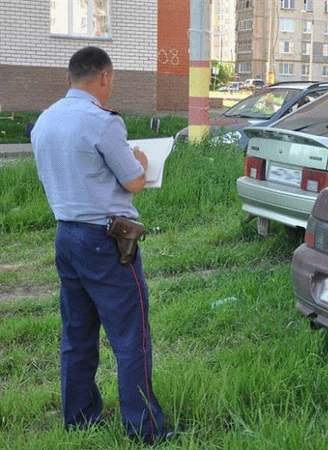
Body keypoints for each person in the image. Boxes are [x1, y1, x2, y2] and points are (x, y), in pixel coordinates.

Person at [31, 46, 169, 445]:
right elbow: (134, 182)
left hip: (66, 235)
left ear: (70, 77)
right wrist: (139, 159)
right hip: (106, 241)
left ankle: (79, 417)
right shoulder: (102, 121)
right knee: (131, 336)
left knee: (77, 334)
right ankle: (146, 430)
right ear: (104, 77)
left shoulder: (45, 120)